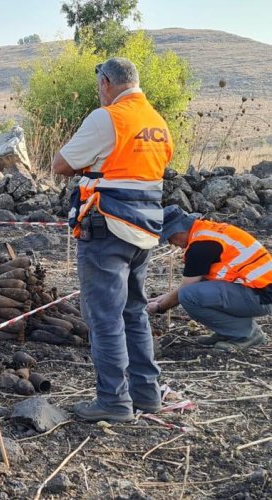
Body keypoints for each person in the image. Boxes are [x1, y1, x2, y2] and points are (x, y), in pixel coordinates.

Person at [52, 58, 173, 422]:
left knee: (104, 317)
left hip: (107, 229)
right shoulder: (157, 122)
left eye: (98, 85)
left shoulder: (108, 117)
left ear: (106, 82)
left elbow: (61, 164)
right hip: (144, 230)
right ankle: (147, 394)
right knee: (133, 311)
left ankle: (113, 401)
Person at [147, 205, 271, 351]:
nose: (171, 243)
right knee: (199, 289)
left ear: (179, 230)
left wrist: (159, 307)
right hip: (259, 291)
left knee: (189, 296)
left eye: (169, 237)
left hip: (261, 298)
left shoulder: (199, 247)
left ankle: (246, 335)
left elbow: (183, 291)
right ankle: (229, 332)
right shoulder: (206, 232)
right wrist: (156, 299)